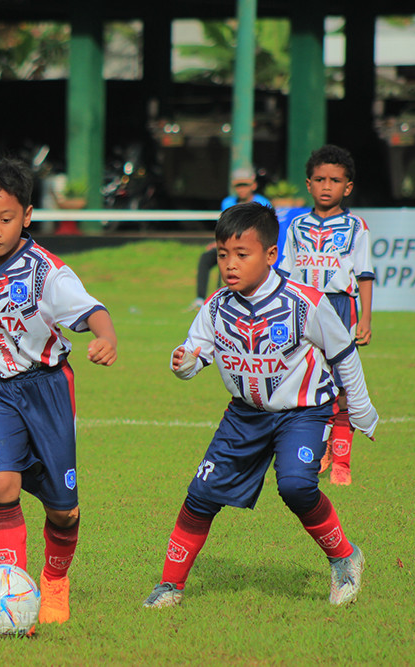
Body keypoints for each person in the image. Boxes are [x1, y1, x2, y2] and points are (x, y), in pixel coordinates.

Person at [143, 202, 378, 610]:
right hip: (244, 415)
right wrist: (182, 363)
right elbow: (196, 356)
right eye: (222, 255)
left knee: (296, 486)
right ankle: (169, 586)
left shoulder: (305, 301)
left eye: (241, 254)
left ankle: (344, 558)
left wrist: (360, 410)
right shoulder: (216, 307)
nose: (229, 265)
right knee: (200, 494)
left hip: (302, 414)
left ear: (271, 256)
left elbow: (344, 354)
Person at [0, 159, 117, 625]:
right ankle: (12, 591)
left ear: (26, 215)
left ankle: (55, 581)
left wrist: (107, 336)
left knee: (64, 511)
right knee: (1, 484)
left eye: (5, 219)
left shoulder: (47, 273)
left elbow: (92, 310)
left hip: (47, 389)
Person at [279, 145, 374, 486]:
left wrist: (365, 318)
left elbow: (364, 274)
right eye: (320, 179)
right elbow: (285, 273)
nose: (326, 186)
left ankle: (343, 461)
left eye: (334, 180)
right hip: (304, 308)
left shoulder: (355, 226)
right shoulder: (295, 225)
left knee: (343, 384)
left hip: (339, 308)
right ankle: (318, 452)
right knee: (309, 382)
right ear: (308, 184)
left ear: (347, 187)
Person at [189, 167, 273, 311]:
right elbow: (225, 229)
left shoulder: (263, 204)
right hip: (230, 247)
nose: (241, 189)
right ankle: (200, 299)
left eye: (245, 185)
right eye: (238, 185)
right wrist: (217, 243)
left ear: (253, 185)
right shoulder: (228, 203)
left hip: (251, 249)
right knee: (206, 258)